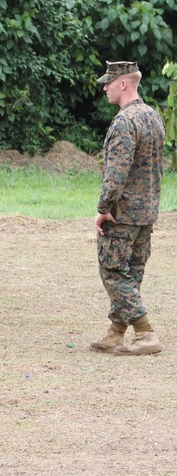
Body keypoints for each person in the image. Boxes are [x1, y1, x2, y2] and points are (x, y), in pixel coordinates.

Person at [90, 61, 165, 356]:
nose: (105, 87)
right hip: (146, 212)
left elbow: (116, 173)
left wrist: (103, 207)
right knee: (131, 273)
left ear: (123, 83)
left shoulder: (124, 121)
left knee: (112, 270)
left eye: (108, 82)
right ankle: (116, 333)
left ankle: (145, 332)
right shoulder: (153, 117)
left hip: (122, 213)